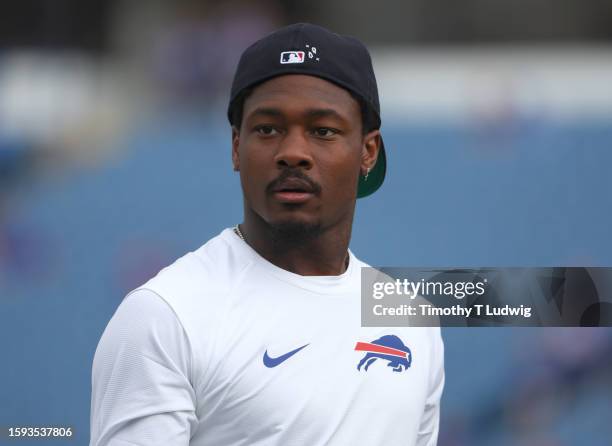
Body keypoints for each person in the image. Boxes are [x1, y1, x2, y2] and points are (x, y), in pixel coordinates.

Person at [90, 23, 444, 446]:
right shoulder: (166, 317)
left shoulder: (410, 317)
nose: (293, 152)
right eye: (268, 129)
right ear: (236, 147)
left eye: (323, 130)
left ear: (368, 151)